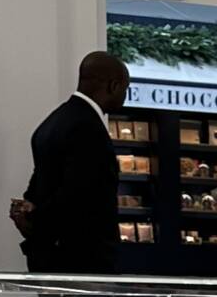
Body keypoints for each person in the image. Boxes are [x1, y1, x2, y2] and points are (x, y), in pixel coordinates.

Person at [10, 51, 129, 273]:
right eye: (125, 89)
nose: (125, 96)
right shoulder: (88, 129)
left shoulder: (52, 122)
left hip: (48, 256)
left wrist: (31, 215)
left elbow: (41, 184)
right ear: (113, 86)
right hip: (82, 260)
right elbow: (77, 196)